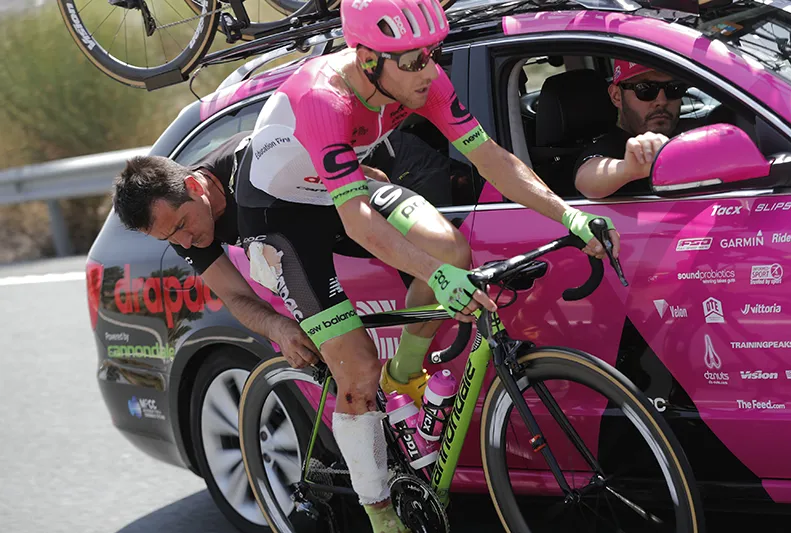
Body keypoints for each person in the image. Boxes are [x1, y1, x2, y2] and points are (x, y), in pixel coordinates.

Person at [236, 0, 622, 531]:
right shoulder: (323, 99)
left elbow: (490, 159)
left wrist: (570, 218)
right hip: (281, 215)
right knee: (357, 372)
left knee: (453, 250)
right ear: (368, 59)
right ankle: (379, 514)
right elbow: (358, 223)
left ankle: (405, 382)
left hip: (344, 190)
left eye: (431, 55)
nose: (428, 70)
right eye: (412, 61)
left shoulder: (423, 79)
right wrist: (440, 281)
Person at [112, 134, 392, 367]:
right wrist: (278, 328)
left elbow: (369, 176)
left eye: (182, 225)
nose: (185, 242)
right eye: (169, 238)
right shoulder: (185, 231)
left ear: (195, 187)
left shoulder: (249, 164)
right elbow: (234, 295)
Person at [574, 60, 689, 198]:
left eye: (674, 88)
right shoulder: (609, 146)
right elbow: (585, 179)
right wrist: (629, 169)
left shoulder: (694, 133)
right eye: (645, 89)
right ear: (616, 96)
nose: (662, 101)